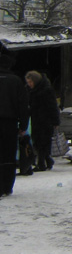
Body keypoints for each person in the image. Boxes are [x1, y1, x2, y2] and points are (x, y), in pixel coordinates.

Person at [0, 47, 30, 196]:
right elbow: (23, 106)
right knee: (9, 155)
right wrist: (23, 125)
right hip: (10, 124)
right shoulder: (16, 81)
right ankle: (7, 186)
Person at [25, 70, 60, 171]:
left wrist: (55, 121)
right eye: (28, 82)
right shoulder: (30, 90)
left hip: (46, 120)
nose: (29, 84)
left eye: (30, 82)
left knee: (43, 141)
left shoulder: (46, 90)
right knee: (38, 141)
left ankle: (41, 163)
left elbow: (53, 106)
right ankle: (47, 161)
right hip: (36, 119)